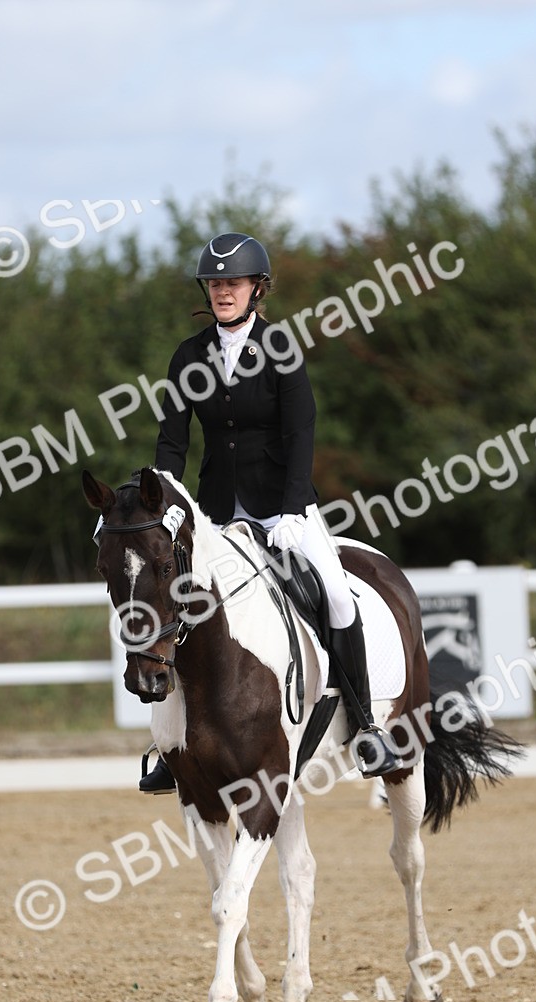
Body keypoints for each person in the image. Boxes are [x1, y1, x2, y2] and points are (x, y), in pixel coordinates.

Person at [138, 232, 402, 793]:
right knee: (176, 605)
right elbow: (172, 440)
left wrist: (290, 510)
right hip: (213, 513)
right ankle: (169, 744)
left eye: (232, 283)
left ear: (256, 289)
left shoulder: (280, 347)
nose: (222, 292)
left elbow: (300, 433)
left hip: (284, 507)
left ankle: (366, 725)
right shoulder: (189, 355)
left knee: (332, 591)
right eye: (214, 284)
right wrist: (162, 497)